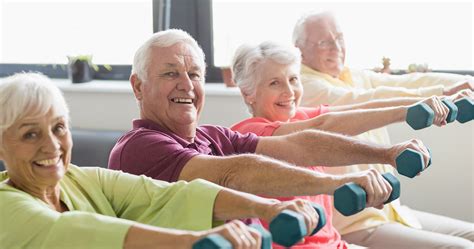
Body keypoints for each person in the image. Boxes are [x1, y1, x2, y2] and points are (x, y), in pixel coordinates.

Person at [108, 29, 433, 226]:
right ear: (138, 87)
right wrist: (336, 182)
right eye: (170, 74)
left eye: (194, 74)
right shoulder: (139, 145)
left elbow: (298, 145)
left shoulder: (214, 136)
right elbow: (229, 173)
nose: (187, 86)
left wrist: (387, 153)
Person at [0, 72, 325, 249]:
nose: (51, 145)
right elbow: (78, 231)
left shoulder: (81, 179)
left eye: (58, 128)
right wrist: (195, 241)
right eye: (30, 135)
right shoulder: (6, 208)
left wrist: (266, 208)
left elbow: (169, 194)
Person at [229, 41, 474, 249]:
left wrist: (430, 102)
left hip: (334, 243)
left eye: (293, 79)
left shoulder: (298, 117)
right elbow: (327, 124)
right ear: (248, 93)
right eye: (274, 83)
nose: (289, 91)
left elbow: (359, 109)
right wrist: (405, 115)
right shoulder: (247, 134)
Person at [293, 11, 474, 248]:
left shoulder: (352, 75)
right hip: (354, 223)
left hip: (391, 213)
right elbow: (368, 100)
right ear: (300, 49)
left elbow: (407, 81)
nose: (335, 47)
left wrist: (460, 83)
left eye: (339, 38)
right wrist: (440, 94)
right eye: (324, 42)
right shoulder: (303, 86)